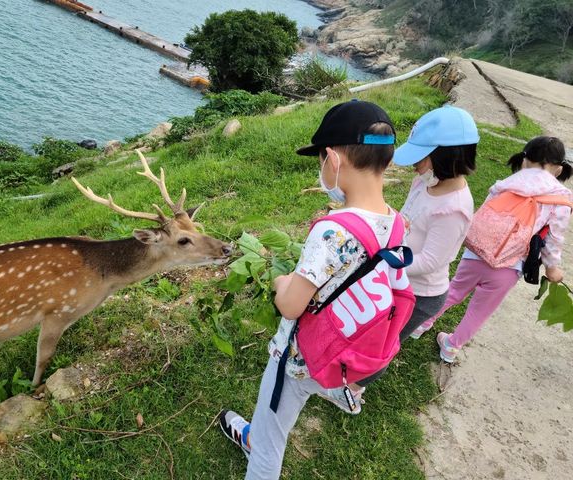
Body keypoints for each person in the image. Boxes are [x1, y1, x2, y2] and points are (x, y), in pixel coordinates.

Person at [218, 100, 410, 480]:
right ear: (385, 161)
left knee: (270, 439)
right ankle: (342, 389)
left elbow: (290, 306)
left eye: (320, 160)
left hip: (299, 357)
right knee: (319, 381)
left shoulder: (331, 231)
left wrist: (280, 281)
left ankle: (254, 444)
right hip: (343, 345)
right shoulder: (396, 220)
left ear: (334, 160)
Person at [333, 105, 479, 392]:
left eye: (420, 156)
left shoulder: (454, 209)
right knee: (369, 329)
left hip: (420, 293)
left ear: (445, 156)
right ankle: (345, 372)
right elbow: (406, 219)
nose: (414, 164)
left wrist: (382, 258)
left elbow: (430, 261)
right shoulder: (426, 180)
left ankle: (353, 391)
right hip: (397, 276)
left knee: (383, 343)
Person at [418, 136, 573, 362]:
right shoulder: (561, 200)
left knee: (453, 292)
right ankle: (451, 346)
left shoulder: (506, 184)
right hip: (510, 266)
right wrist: (551, 269)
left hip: (476, 253)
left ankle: (421, 324)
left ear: (524, 160)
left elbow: (483, 217)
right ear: (559, 170)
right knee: (480, 310)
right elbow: (553, 239)